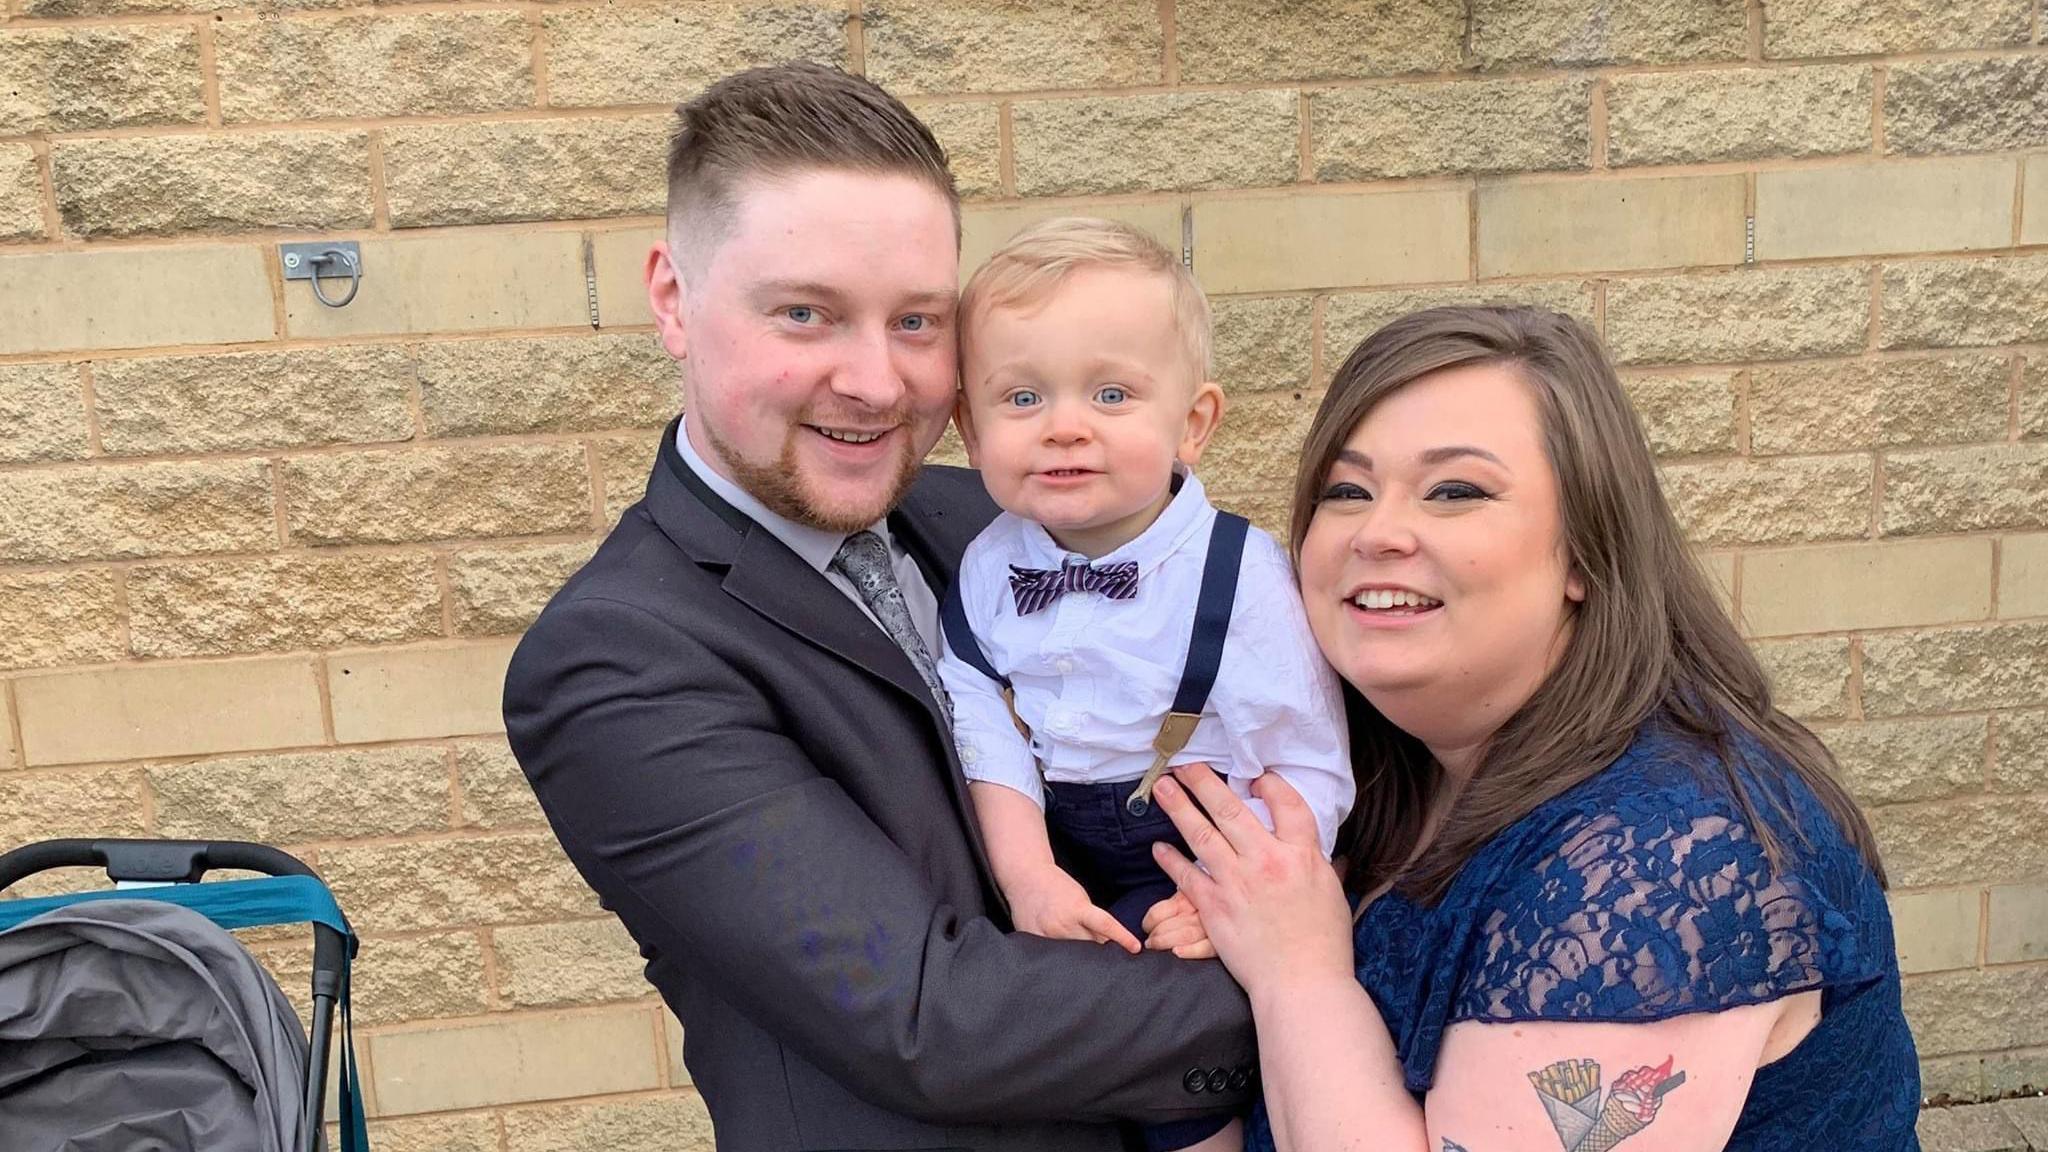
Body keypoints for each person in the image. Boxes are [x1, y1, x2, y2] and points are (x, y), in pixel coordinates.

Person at [502, 64, 1255, 1152]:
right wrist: (1327, 984)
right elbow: (928, 1021)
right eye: (806, 314)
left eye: (915, 321)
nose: (876, 381)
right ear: (673, 297)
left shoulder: (992, 524)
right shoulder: (613, 662)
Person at [1138, 306, 1920, 1151]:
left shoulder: (1664, 861)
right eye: (1346, 491)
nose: (1378, 532)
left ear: (1585, 551)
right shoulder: (1369, 764)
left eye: (1455, 492)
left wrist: (1298, 974)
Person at [938, 217, 1356, 1152]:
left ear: (1192, 423)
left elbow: (1308, 762)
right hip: (1056, 840)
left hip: (1203, 845)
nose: (1065, 425)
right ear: (968, 428)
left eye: (1113, 392)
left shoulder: (1240, 575)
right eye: (1022, 396)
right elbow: (984, 724)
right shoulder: (988, 566)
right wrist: (1027, 873)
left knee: (1175, 1059)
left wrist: (1227, 889)